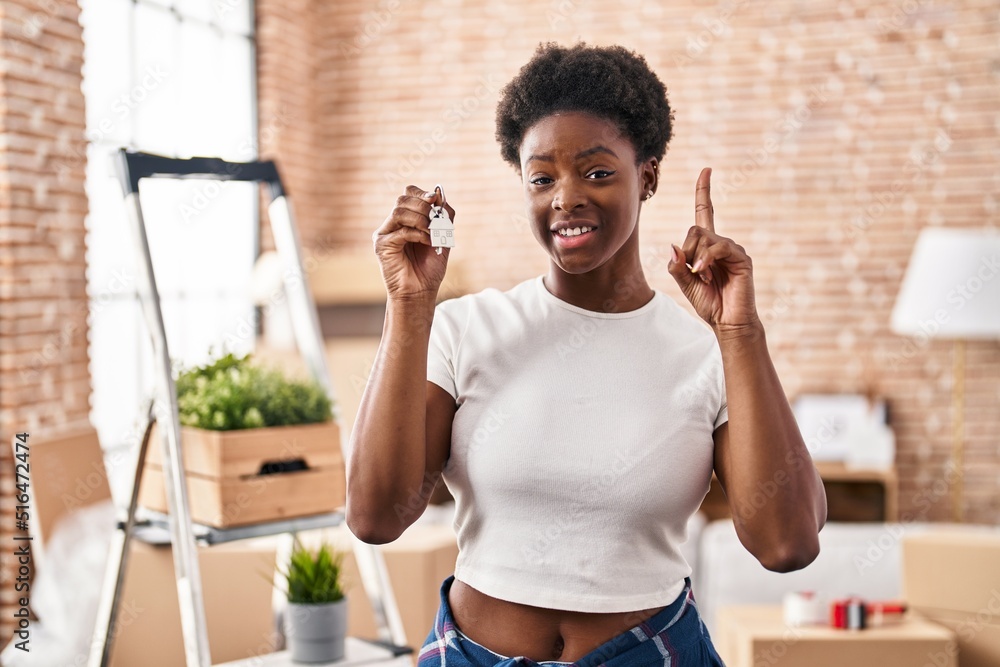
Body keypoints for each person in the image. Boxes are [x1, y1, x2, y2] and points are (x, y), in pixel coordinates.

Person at [348, 42, 827, 666]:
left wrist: (741, 335)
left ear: (646, 176)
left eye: (597, 172)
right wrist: (408, 306)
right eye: (541, 177)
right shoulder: (461, 328)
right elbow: (375, 515)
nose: (564, 197)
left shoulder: (706, 354)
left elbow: (786, 544)